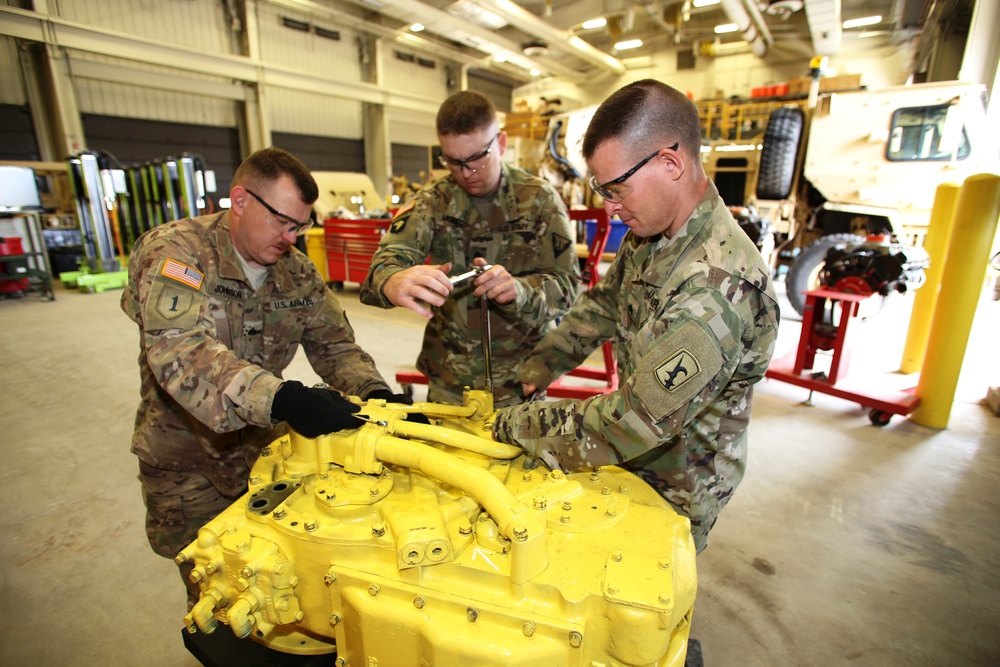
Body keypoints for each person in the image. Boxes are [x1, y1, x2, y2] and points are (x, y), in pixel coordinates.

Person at [491, 80, 780, 553]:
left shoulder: (715, 288)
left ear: (670, 163)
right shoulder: (654, 233)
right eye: (601, 189)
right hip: (635, 459)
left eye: (617, 188)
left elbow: (634, 419)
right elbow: (604, 304)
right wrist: (536, 369)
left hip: (677, 486)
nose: (610, 205)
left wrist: (517, 425)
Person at [121, 147, 408, 605]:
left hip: (263, 459)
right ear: (240, 201)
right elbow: (176, 347)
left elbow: (334, 344)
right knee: (213, 591)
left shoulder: (295, 270)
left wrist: (374, 391)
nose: (291, 237)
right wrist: (282, 399)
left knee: (276, 586)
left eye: (300, 225)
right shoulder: (177, 251)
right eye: (282, 222)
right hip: (186, 461)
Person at [360, 90, 579, 408]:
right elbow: (382, 267)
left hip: (520, 381)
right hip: (451, 382)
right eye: (453, 161)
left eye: (477, 158)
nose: (465, 172)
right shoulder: (432, 202)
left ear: (501, 144)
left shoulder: (540, 201)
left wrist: (519, 291)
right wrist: (391, 280)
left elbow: (568, 285)